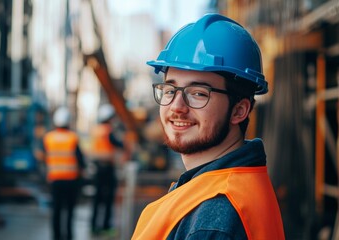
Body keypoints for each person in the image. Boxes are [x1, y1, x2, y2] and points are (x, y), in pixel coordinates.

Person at [132, 13, 285, 240]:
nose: (177, 106)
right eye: (170, 90)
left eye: (198, 93)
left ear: (239, 110)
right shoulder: (226, 185)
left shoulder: (214, 218)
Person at [42, 107, 85, 240]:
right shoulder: (72, 138)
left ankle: (56, 236)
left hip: (55, 180)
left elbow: (43, 156)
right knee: (69, 212)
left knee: (56, 211)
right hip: (71, 180)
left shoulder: (49, 138)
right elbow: (80, 160)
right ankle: (69, 236)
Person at [90, 104, 125, 236]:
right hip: (107, 168)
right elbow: (119, 144)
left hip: (97, 168)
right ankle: (105, 226)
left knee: (97, 199)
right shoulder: (108, 131)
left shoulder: (96, 130)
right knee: (108, 198)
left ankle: (94, 226)